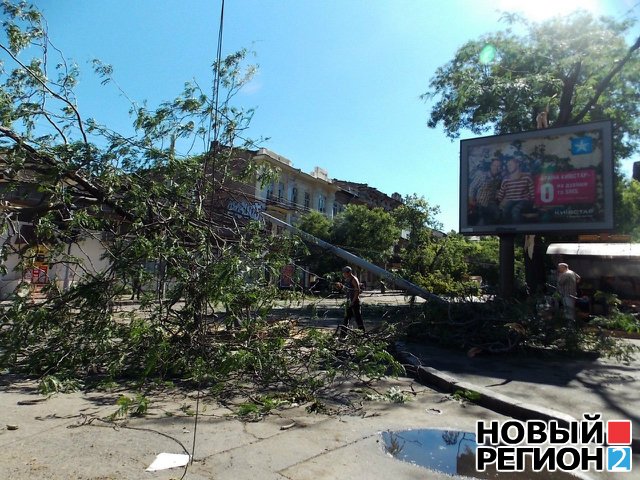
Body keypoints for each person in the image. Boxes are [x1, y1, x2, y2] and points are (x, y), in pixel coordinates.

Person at [496, 157, 534, 223]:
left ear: (517, 164)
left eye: (510, 164)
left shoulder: (527, 177)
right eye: (507, 165)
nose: (508, 167)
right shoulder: (506, 180)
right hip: (511, 201)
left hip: (524, 200)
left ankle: (520, 230)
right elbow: (500, 196)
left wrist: (534, 203)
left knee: (515, 210)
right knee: (505, 210)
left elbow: (532, 192)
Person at [468, 158, 502, 225]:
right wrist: (471, 199)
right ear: (491, 166)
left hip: (491, 205)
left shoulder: (499, 179)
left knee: (498, 216)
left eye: (498, 166)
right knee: (481, 221)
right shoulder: (482, 175)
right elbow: (472, 187)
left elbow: (497, 191)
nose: (496, 168)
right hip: (480, 204)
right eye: (495, 165)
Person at [338, 266, 365, 337]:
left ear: (349, 272)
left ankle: (362, 334)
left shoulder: (353, 279)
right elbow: (347, 290)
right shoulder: (347, 279)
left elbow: (357, 291)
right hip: (349, 301)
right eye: (343, 273)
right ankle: (343, 335)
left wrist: (353, 301)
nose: (344, 274)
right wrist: (341, 287)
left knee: (358, 318)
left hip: (355, 302)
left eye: (345, 273)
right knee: (346, 318)